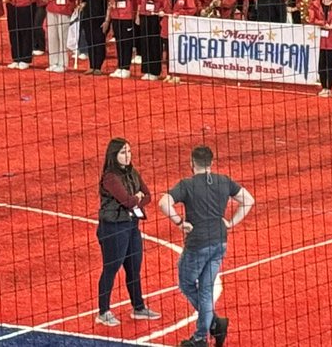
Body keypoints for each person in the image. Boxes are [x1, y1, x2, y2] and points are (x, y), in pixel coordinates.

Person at [160, 146, 255, 347]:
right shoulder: (223, 181)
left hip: (198, 244)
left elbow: (163, 203)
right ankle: (204, 334)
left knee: (186, 283)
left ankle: (211, 327)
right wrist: (231, 223)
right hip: (220, 241)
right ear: (211, 163)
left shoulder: (187, 184)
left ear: (191, 163)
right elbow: (248, 200)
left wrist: (179, 222)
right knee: (205, 290)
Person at [95, 139, 160, 327]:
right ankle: (103, 312)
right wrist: (136, 198)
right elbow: (127, 201)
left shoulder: (132, 172)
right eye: (123, 153)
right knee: (111, 268)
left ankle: (138, 308)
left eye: (129, 152)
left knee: (134, 268)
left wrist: (135, 199)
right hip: (113, 228)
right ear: (114, 155)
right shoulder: (110, 177)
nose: (127, 156)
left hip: (131, 225)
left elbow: (148, 196)